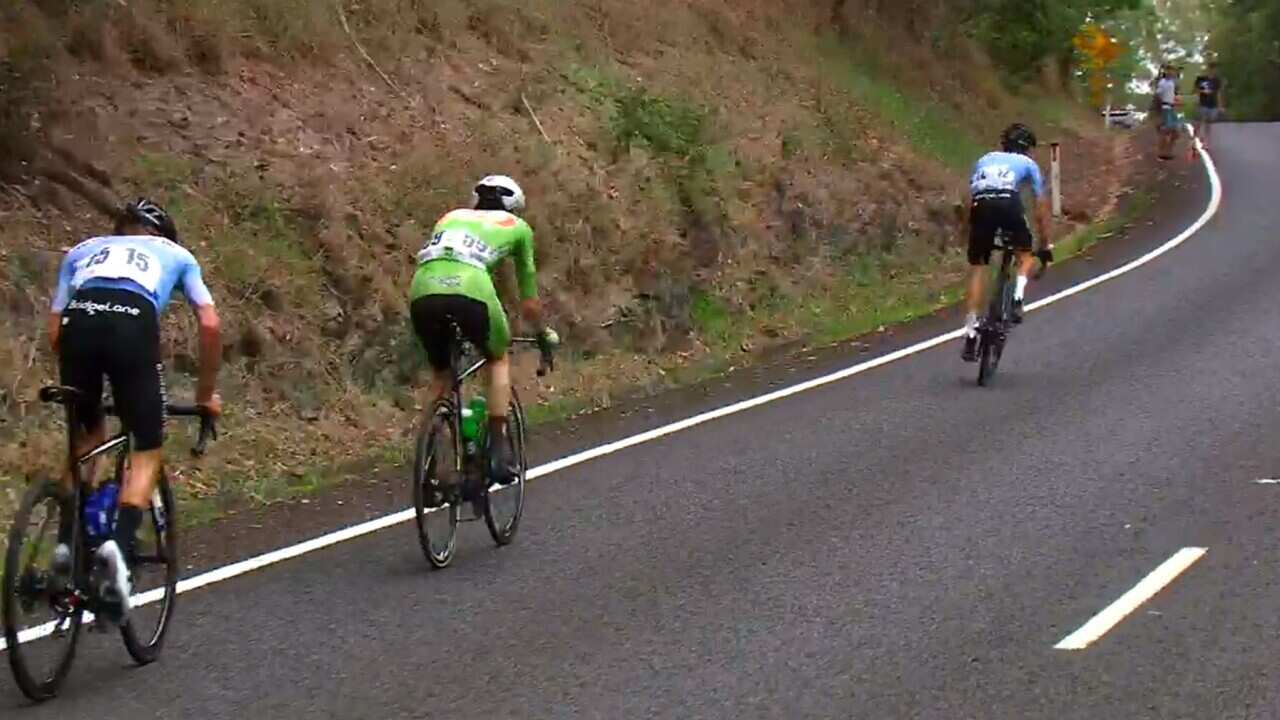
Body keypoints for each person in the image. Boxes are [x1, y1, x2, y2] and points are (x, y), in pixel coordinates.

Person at [48, 198, 222, 623]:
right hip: (131, 325)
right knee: (147, 445)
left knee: (87, 438)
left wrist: (82, 391)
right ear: (163, 234)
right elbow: (211, 323)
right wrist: (205, 395)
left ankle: (65, 544)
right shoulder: (177, 255)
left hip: (78, 326)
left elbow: (54, 330)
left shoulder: (83, 249)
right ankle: (119, 553)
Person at [409, 175, 557, 491]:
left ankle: (430, 463)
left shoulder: (450, 216)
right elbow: (529, 303)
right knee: (497, 358)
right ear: (514, 208)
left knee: (442, 376)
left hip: (422, 288)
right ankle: (498, 451)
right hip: (471, 286)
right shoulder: (517, 227)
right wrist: (542, 333)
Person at [960, 124, 1053, 362]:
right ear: (1027, 149)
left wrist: (968, 229)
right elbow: (1040, 207)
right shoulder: (1028, 164)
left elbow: (969, 197)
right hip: (1008, 204)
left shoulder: (985, 159)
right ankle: (1018, 298)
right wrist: (1044, 244)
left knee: (978, 267)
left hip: (980, 206)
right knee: (1025, 252)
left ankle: (970, 332)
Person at [1193, 61, 1226, 149]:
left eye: (1214, 69)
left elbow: (1219, 93)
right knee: (1198, 123)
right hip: (1202, 103)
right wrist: (1202, 92)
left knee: (1208, 123)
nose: (1213, 71)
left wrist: (1220, 105)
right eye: (1211, 68)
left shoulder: (1217, 80)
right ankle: (1194, 139)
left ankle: (1206, 142)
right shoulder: (1201, 78)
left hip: (1212, 104)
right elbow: (1196, 90)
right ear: (1208, 69)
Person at [1155, 64, 1181, 160]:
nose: (1170, 72)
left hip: (1171, 108)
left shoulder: (1172, 82)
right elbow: (1158, 95)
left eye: (1172, 70)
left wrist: (1176, 103)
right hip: (1166, 108)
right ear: (1165, 71)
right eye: (1168, 70)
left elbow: (1174, 95)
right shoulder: (1163, 82)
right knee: (1165, 130)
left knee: (1176, 132)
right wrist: (1160, 109)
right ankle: (1161, 152)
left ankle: (1168, 151)